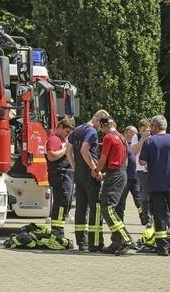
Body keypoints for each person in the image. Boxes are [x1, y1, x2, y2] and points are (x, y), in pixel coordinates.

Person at [67, 109, 110, 252]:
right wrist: (94, 169)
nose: (103, 127)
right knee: (96, 207)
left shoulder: (78, 129)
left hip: (79, 174)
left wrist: (75, 167)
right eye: (103, 123)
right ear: (98, 120)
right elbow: (84, 150)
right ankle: (95, 242)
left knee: (80, 208)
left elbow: (68, 150)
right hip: (90, 175)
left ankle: (82, 242)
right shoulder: (92, 131)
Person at [95, 118, 131, 255]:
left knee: (108, 207)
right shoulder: (121, 137)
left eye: (101, 127)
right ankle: (117, 241)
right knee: (115, 208)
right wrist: (108, 173)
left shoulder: (109, 138)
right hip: (121, 172)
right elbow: (124, 160)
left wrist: (96, 170)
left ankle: (126, 239)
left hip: (115, 173)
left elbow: (103, 158)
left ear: (105, 126)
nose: (100, 130)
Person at [139, 115, 170, 256]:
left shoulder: (150, 141)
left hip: (156, 184)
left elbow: (142, 162)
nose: (149, 128)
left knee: (158, 215)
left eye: (151, 126)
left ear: (156, 127)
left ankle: (163, 248)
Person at [45, 117, 75, 234]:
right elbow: (51, 156)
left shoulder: (62, 140)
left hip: (65, 175)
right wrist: (66, 149)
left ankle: (58, 231)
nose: (68, 135)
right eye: (67, 132)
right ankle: (57, 232)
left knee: (65, 202)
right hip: (59, 176)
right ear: (60, 127)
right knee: (61, 202)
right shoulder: (54, 139)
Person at [117, 125, 144, 226]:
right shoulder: (122, 143)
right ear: (126, 133)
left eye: (135, 132)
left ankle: (144, 218)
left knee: (139, 198)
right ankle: (120, 219)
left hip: (135, 175)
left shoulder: (135, 143)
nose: (134, 134)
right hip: (125, 176)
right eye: (132, 132)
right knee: (122, 199)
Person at [131, 119, 152, 226]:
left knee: (154, 194)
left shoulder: (153, 137)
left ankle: (154, 217)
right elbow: (134, 151)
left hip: (152, 169)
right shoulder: (137, 137)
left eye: (147, 130)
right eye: (143, 130)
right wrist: (143, 138)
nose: (146, 132)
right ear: (139, 130)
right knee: (144, 196)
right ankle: (147, 219)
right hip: (140, 169)